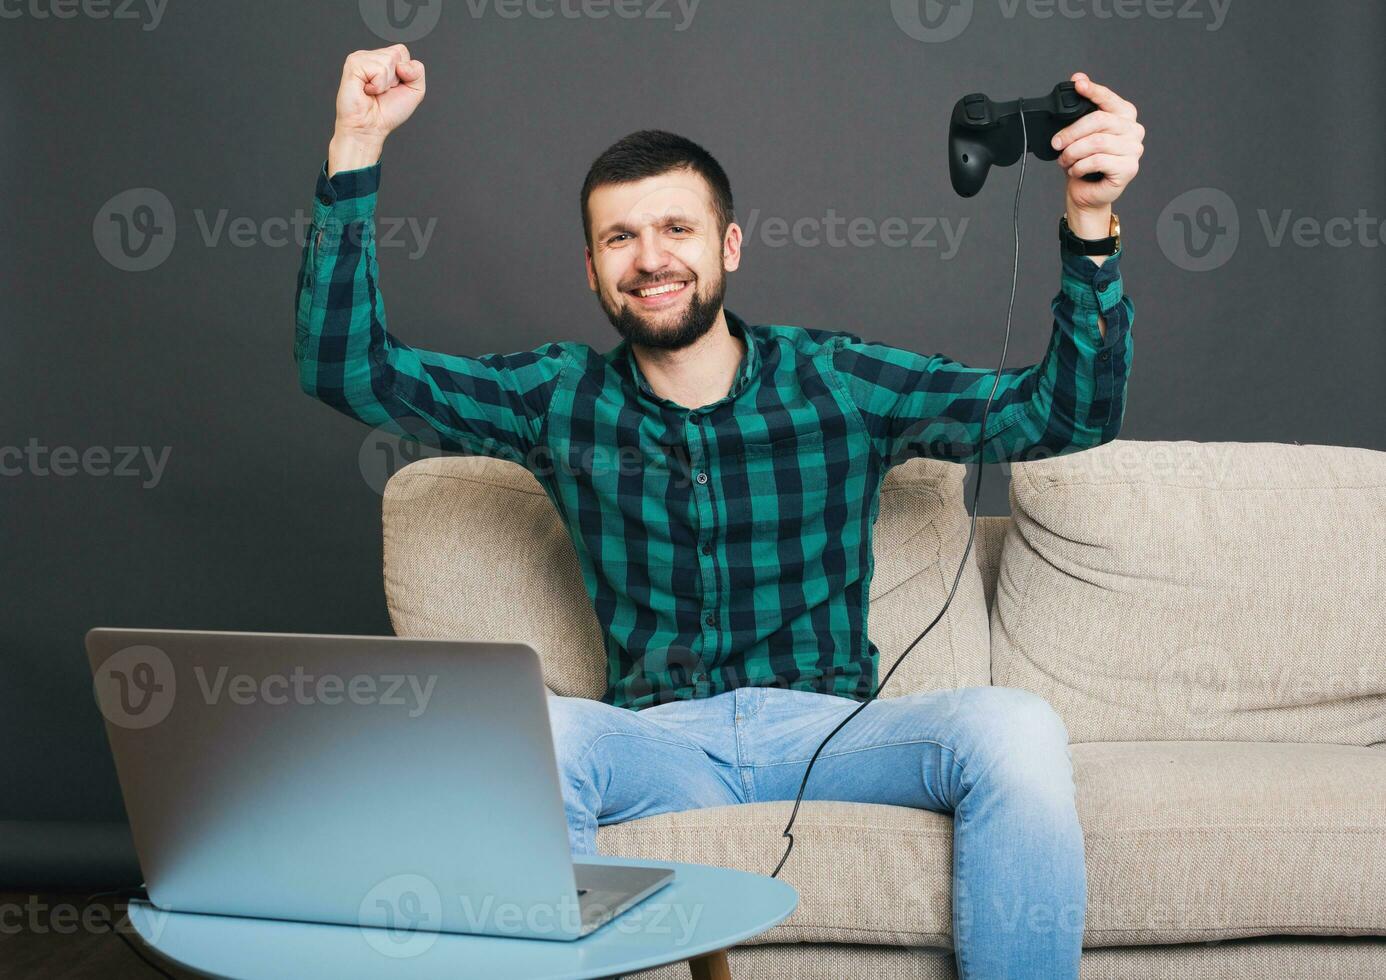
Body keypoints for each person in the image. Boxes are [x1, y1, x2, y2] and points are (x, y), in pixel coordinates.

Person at [295, 45, 1142, 978]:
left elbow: (1067, 413)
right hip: (655, 743)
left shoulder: (835, 380)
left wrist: (1090, 222)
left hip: (830, 732)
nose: (652, 259)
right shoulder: (557, 397)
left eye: (676, 230)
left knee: (1015, 724)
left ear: (727, 246)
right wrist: (356, 143)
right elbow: (351, 370)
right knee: (528, 732)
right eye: (621, 238)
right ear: (590, 268)